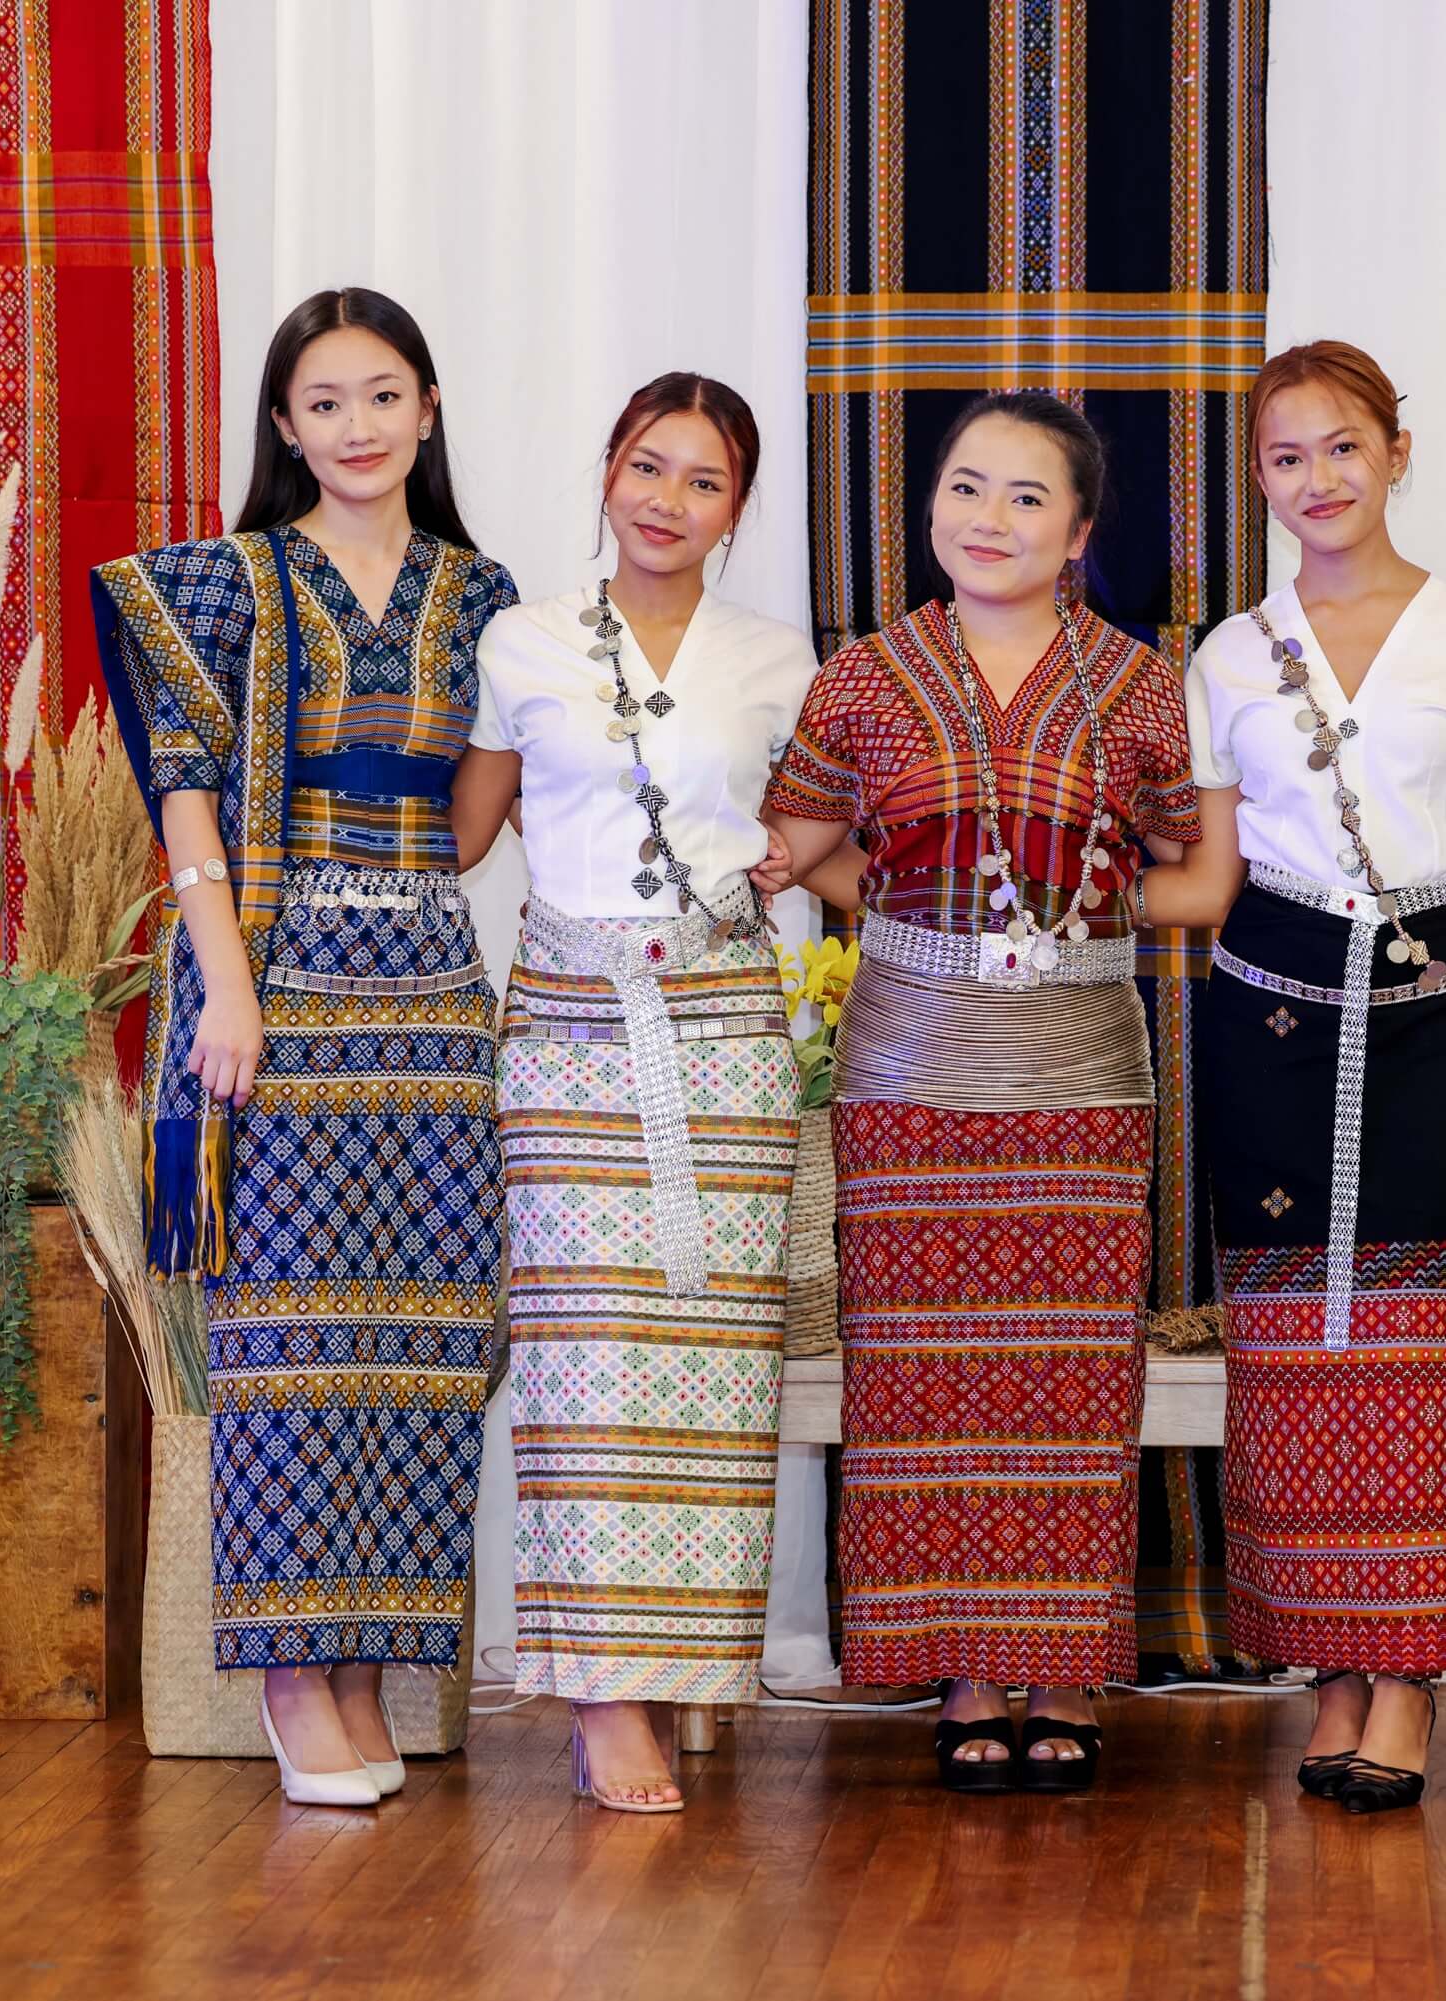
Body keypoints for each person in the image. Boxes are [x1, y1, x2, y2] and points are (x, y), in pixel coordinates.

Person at [91, 286, 516, 1809]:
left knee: (423, 1342)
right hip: (279, 987)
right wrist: (227, 986)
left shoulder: (483, 597)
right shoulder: (228, 584)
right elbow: (185, 791)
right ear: (282, 424)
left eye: (383, 394)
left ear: (428, 406)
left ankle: (366, 1668)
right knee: (287, 1343)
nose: (356, 426)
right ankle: (288, 1674)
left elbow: (470, 827)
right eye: (324, 402)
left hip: (432, 990)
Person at [754, 392, 1203, 1792]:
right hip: (907, 1064)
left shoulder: (1138, 684)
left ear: (1077, 532)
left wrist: (1079, 922)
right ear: (929, 508)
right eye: (965, 487)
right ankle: (962, 1673)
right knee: (926, 1374)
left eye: (1025, 496)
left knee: (1069, 1371)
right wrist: (910, 916)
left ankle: (1062, 1668)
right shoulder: (863, 676)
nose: (988, 517)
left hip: (1082, 1065)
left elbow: (1189, 865)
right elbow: (796, 844)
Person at [1155, 339, 1446, 1814]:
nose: (1317, 478)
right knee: (1291, 1340)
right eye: (1286, 456)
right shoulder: (1230, 656)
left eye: (1344, 446)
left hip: (1438, 1007)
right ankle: (1327, 1669)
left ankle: (1410, 1674)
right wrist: (1042, 891)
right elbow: (1208, 879)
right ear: (1258, 479)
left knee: (1427, 1336)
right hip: (1273, 1013)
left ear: (1397, 452)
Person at [453, 372, 814, 1813]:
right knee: (582, 1363)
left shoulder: (776, 656)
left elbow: (819, 822)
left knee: (715, 1370)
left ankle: (686, 1670)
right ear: (607, 471)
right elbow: (464, 832)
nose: (669, 500)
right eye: (648, 467)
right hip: (568, 1030)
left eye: (704, 479)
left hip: (727, 1033)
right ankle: (604, 1697)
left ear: (738, 507)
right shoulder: (522, 639)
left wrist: (790, 854)